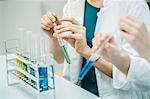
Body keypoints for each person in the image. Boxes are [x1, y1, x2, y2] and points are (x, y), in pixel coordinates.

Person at [41, 0, 150, 99]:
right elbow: (60, 58)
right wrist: (53, 37)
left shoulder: (134, 5)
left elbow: (144, 77)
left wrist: (87, 52)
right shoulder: (72, 4)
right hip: (77, 92)